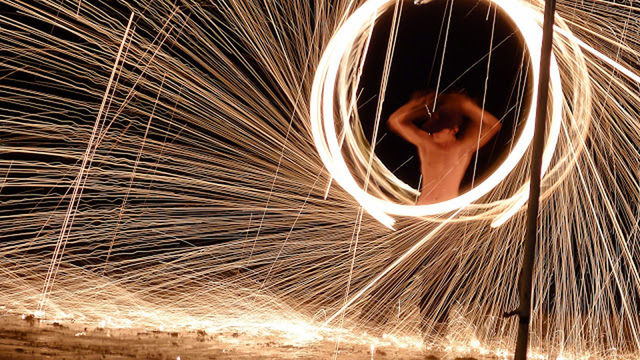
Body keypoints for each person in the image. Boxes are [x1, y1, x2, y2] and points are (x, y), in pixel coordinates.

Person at [388, 91, 501, 204]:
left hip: (448, 211)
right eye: (433, 128)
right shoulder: (426, 144)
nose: (434, 132)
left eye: (440, 129)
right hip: (424, 208)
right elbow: (395, 121)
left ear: (454, 129)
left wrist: (468, 106)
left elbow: (494, 125)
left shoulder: (464, 148)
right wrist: (416, 104)